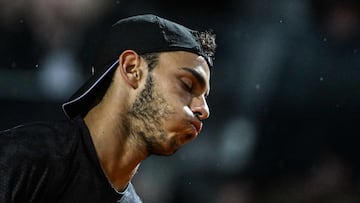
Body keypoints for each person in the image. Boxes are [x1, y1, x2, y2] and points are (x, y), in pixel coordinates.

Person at [0, 14, 216, 202]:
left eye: (204, 97)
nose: (204, 109)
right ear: (132, 69)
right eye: (187, 85)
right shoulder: (20, 159)